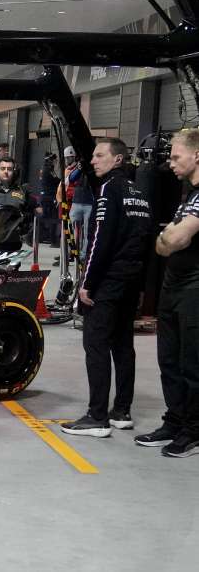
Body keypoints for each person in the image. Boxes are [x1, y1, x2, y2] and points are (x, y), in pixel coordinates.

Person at [60, 138, 151, 439]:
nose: (94, 161)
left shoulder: (108, 190)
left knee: (95, 343)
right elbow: (144, 240)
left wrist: (88, 283)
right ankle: (121, 411)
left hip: (110, 281)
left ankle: (96, 416)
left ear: (118, 160)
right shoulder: (138, 192)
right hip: (132, 279)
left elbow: (101, 240)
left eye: (100, 156)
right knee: (123, 344)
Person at [140, 128, 199, 457]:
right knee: (169, 361)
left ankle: (194, 430)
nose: (171, 164)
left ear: (197, 156)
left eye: (176, 157)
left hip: (193, 288)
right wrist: (169, 236)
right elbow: (166, 240)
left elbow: (172, 241)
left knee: (191, 364)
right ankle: (175, 421)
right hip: (173, 286)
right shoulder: (188, 196)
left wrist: (169, 237)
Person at [58, 146, 94, 265]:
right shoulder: (77, 166)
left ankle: (84, 256)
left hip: (89, 202)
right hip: (77, 201)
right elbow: (71, 179)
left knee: (87, 231)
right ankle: (68, 253)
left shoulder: (94, 166)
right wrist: (80, 167)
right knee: (69, 229)